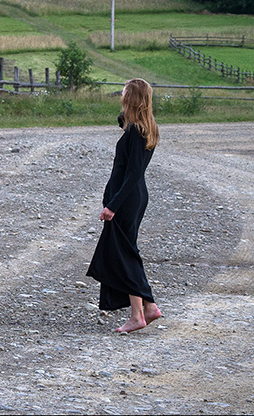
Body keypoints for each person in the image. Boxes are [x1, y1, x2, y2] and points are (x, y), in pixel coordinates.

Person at [86, 78, 162, 333]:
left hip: (127, 200)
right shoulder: (139, 128)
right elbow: (122, 121)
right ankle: (146, 308)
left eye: (124, 92)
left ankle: (139, 315)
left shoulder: (137, 132)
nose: (120, 95)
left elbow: (132, 174)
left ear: (132, 97)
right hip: (130, 198)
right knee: (124, 252)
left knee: (124, 254)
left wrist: (113, 206)